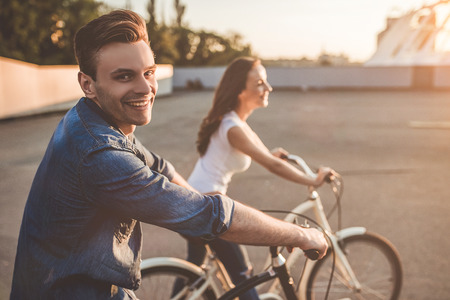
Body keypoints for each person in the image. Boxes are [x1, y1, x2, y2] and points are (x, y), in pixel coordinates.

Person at [10, 10, 327, 300]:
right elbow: (210, 214)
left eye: (148, 72)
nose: (145, 88)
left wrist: (189, 200)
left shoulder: (88, 119)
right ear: (87, 84)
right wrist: (301, 234)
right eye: (124, 76)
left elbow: (159, 165)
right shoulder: (101, 155)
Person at [186, 56, 335, 299]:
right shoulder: (233, 127)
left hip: (195, 200)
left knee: (191, 278)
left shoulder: (233, 121)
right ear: (240, 90)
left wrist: (272, 155)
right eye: (260, 83)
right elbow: (272, 165)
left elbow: (264, 155)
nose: (268, 88)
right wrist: (313, 180)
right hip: (207, 205)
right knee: (243, 275)